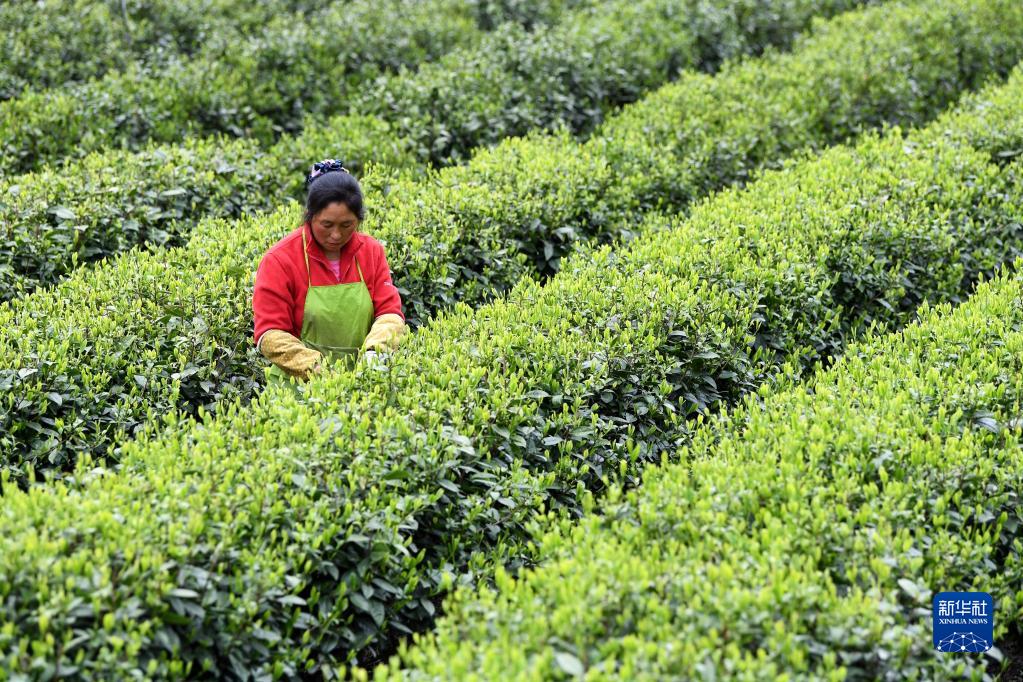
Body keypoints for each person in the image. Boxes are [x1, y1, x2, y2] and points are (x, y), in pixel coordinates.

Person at [252, 159, 406, 385]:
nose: (336, 235)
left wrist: (375, 353)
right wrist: (317, 369)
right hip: (298, 389)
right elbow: (269, 334)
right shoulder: (280, 259)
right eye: (327, 225)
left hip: (364, 382)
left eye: (347, 225)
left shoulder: (371, 251)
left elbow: (390, 313)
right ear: (310, 215)